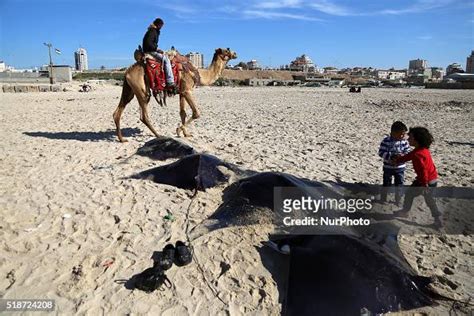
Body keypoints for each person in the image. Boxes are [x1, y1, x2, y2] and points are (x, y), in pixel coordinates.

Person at [393, 127, 440, 227]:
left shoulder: (418, 155)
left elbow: (423, 171)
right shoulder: (422, 150)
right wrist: (398, 160)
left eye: (410, 138)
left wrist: (424, 185)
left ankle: (405, 212)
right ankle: (437, 219)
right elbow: (408, 156)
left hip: (425, 182)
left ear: (417, 140)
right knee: (429, 200)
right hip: (432, 178)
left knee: (410, 194)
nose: (408, 139)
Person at [378, 121, 410, 204]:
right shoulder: (386, 141)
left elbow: (408, 152)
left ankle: (398, 200)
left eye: (404, 134)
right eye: (401, 134)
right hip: (388, 167)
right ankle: (384, 199)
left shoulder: (404, 142)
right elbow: (381, 152)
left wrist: (402, 156)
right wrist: (390, 156)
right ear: (393, 132)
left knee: (399, 185)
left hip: (400, 168)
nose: (402, 136)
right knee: (386, 184)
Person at [142, 18, 176, 92]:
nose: (161, 27)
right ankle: (170, 81)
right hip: (150, 51)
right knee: (166, 59)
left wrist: (157, 48)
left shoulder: (152, 31)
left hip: (151, 50)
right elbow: (149, 43)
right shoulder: (152, 31)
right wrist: (157, 49)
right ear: (158, 25)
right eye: (161, 25)